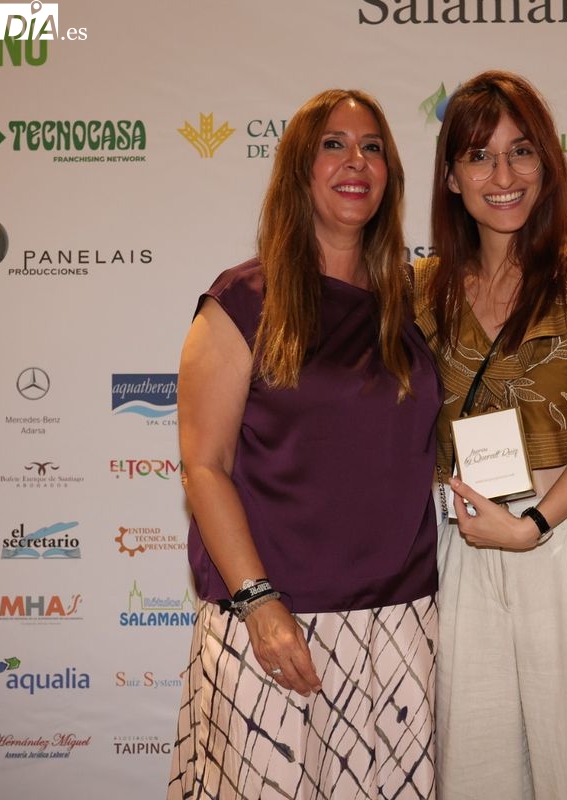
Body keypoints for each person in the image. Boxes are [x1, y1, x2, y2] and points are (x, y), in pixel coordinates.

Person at [167, 88, 441, 800]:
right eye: (334, 145)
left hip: (402, 621)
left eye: (373, 147)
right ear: (298, 169)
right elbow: (204, 466)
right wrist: (259, 604)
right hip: (276, 623)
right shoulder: (241, 301)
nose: (357, 161)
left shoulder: (411, 306)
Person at [414, 70, 567, 799]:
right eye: (479, 156)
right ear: (451, 177)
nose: (504, 176)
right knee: (476, 777)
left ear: (548, 163)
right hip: (464, 551)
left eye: (521, 151)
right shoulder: (421, 293)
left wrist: (532, 526)